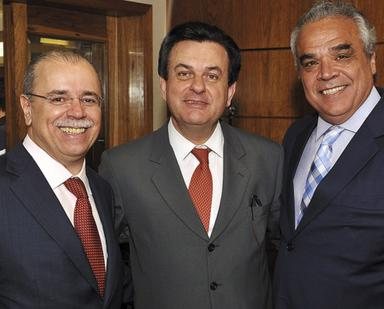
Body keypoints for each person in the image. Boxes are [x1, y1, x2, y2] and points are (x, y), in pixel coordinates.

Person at [100, 22, 282, 308]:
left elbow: (288, 250)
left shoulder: (268, 158)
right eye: (184, 74)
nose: (198, 86)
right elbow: (106, 264)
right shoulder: (122, 166)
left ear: (230, 91)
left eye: (212, 75)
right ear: (164, 85)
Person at [0, 49, 123, 308]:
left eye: (89, 99)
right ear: (27, 108)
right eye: (58, 99)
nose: (77, 112)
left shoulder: (102, 190)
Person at [274, 1, 384, 307]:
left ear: (371, 59)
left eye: (342, 55)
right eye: (310, 63)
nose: (326, 73)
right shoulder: (296, 136)